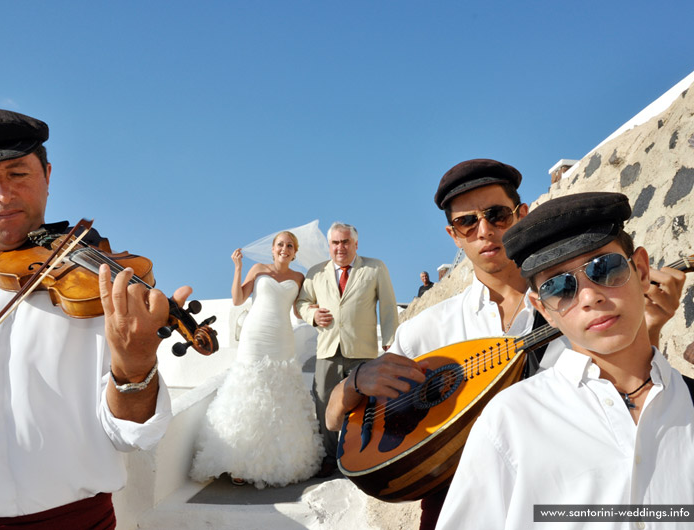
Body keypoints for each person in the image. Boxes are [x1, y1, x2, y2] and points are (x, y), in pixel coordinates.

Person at [324, 159, 685, 529]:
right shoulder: (428, 329)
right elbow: (340, 424)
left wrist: (649, 326)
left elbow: (627, 399)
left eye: (496, 215)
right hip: (455, 503)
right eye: (467, 222)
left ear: (521, 214)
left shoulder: (577, 304)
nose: (484, 231)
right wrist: (351, 385)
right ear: (453, 235)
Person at [0, 109, 181, 528]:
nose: (3, 195)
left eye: (18, 174)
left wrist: (134, 367)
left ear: (47, 176)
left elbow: (132, 435)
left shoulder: (107, 296)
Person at [435, 192, 694, 529]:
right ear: (544, 309)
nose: (589, 296)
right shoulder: (511, 421)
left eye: (605, 268)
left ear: (642, 270)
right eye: (560, 287)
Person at [190, 232, 324, 488]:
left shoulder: (298, 278)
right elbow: (238, 299)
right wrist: (238, 268)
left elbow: (298, 312)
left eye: (290, 246)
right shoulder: (258, 269)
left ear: (295, 252)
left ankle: (278, 462)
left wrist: (317, 308)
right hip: (255, 335)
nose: (285, 249)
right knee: (248, 390)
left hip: (282, 337)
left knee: (279, 393)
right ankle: (238, 462)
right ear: (272, 250)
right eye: (280, 245)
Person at [296, 222, 398, 477]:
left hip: (362, 350)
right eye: (335, 243)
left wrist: (391, 341)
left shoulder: (375, 268)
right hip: (328, 350)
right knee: (324, 404)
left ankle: (362, 456)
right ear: (329, 245)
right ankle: (331, 458)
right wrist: (311, 314)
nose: (340, 247)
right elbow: (301, 302)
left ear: (355, 244)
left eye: (345, 242)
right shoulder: (315, 272)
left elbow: (387, 306)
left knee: (365, 405)